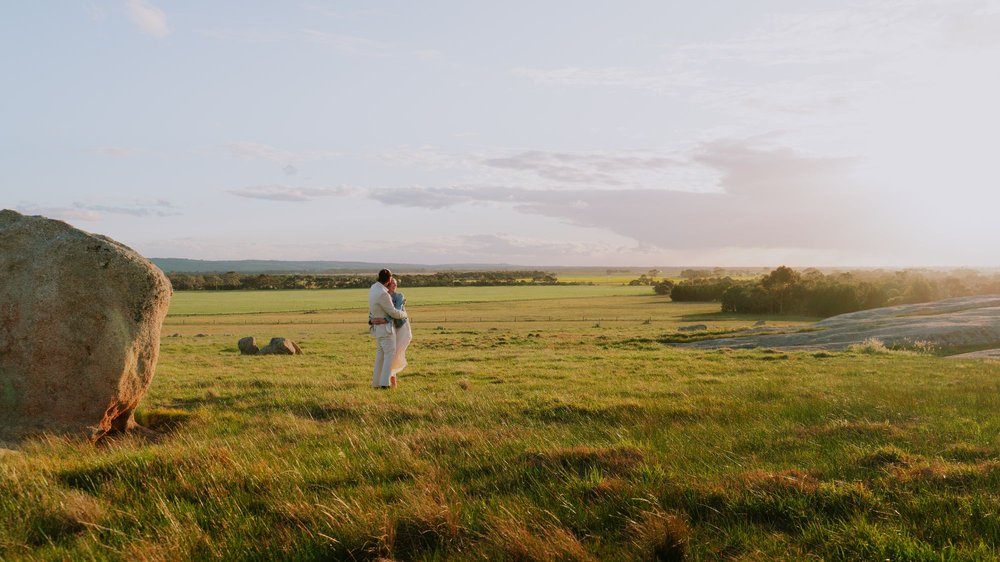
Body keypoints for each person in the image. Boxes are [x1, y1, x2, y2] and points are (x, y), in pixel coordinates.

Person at [368, 269, 407, 389]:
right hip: (386, 329)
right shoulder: (383, 294)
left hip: (377, 329)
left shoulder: (373, 288)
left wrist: (372, 320)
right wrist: (404, 314)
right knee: (389, 356)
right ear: (389, 279)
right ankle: (385, 384)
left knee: (380, 356)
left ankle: (376, 383)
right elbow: (393, 312)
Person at [386, 277, 412, 388]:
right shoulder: (384, 297)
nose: (395, 285)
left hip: (401, 327)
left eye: (395, 284)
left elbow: (396, 311)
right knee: (391, 353)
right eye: (392, 283)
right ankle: (391, 382)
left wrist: (384, 319)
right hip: (390, 327)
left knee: (396, 353)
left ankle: (392, 382)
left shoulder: (399, 296)